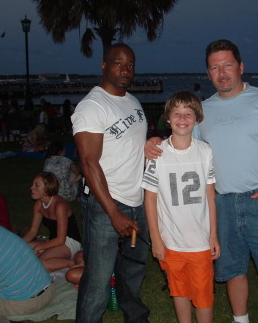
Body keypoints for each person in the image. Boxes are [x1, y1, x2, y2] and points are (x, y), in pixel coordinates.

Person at [146, 39, 258, 323]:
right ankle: (240, 320)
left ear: (241, 67)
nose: (222, 73)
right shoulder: (203, 112)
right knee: (233, 272)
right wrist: (155, 140)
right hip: (221, 203)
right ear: (208, 73)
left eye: (228, 65)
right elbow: (181, 143)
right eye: (214, 67)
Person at [71, 43, 150, 323]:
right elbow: (89, 163)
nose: (125, 69)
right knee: (98, 281)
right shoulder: (93, 106)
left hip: (136, 202)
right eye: (118, 63)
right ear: (104, 65)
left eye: (130, 64)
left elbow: (131, 147)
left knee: (133, 273)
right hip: (106, 207)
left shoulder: (132, 101)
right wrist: (113, 212)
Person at [142, 91, 220, 323]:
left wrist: (213, 234)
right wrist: (156, 239)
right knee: (179, 291)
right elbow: (150, 198)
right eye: (177, 113)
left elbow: (210, 195)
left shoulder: (205, 151)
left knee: (204, 295)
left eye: (189, 113)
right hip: (171, 240)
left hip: (200, 241)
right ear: (168, 118)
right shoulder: (158, 154)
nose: (183, 118)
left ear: (197, 119)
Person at [22, 172, 82, 272]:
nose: (31, 188)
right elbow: (33, 231)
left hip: (69, 242)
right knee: (22, 249)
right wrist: (17, 243)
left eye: (37, 185)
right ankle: (54, 259)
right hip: (53, 240)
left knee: (39, 264)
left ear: (47, 189)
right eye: (33, 184)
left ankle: (73, 263)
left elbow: (61, 240)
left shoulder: (60, 206)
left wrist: (39, 247)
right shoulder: (39, 204)